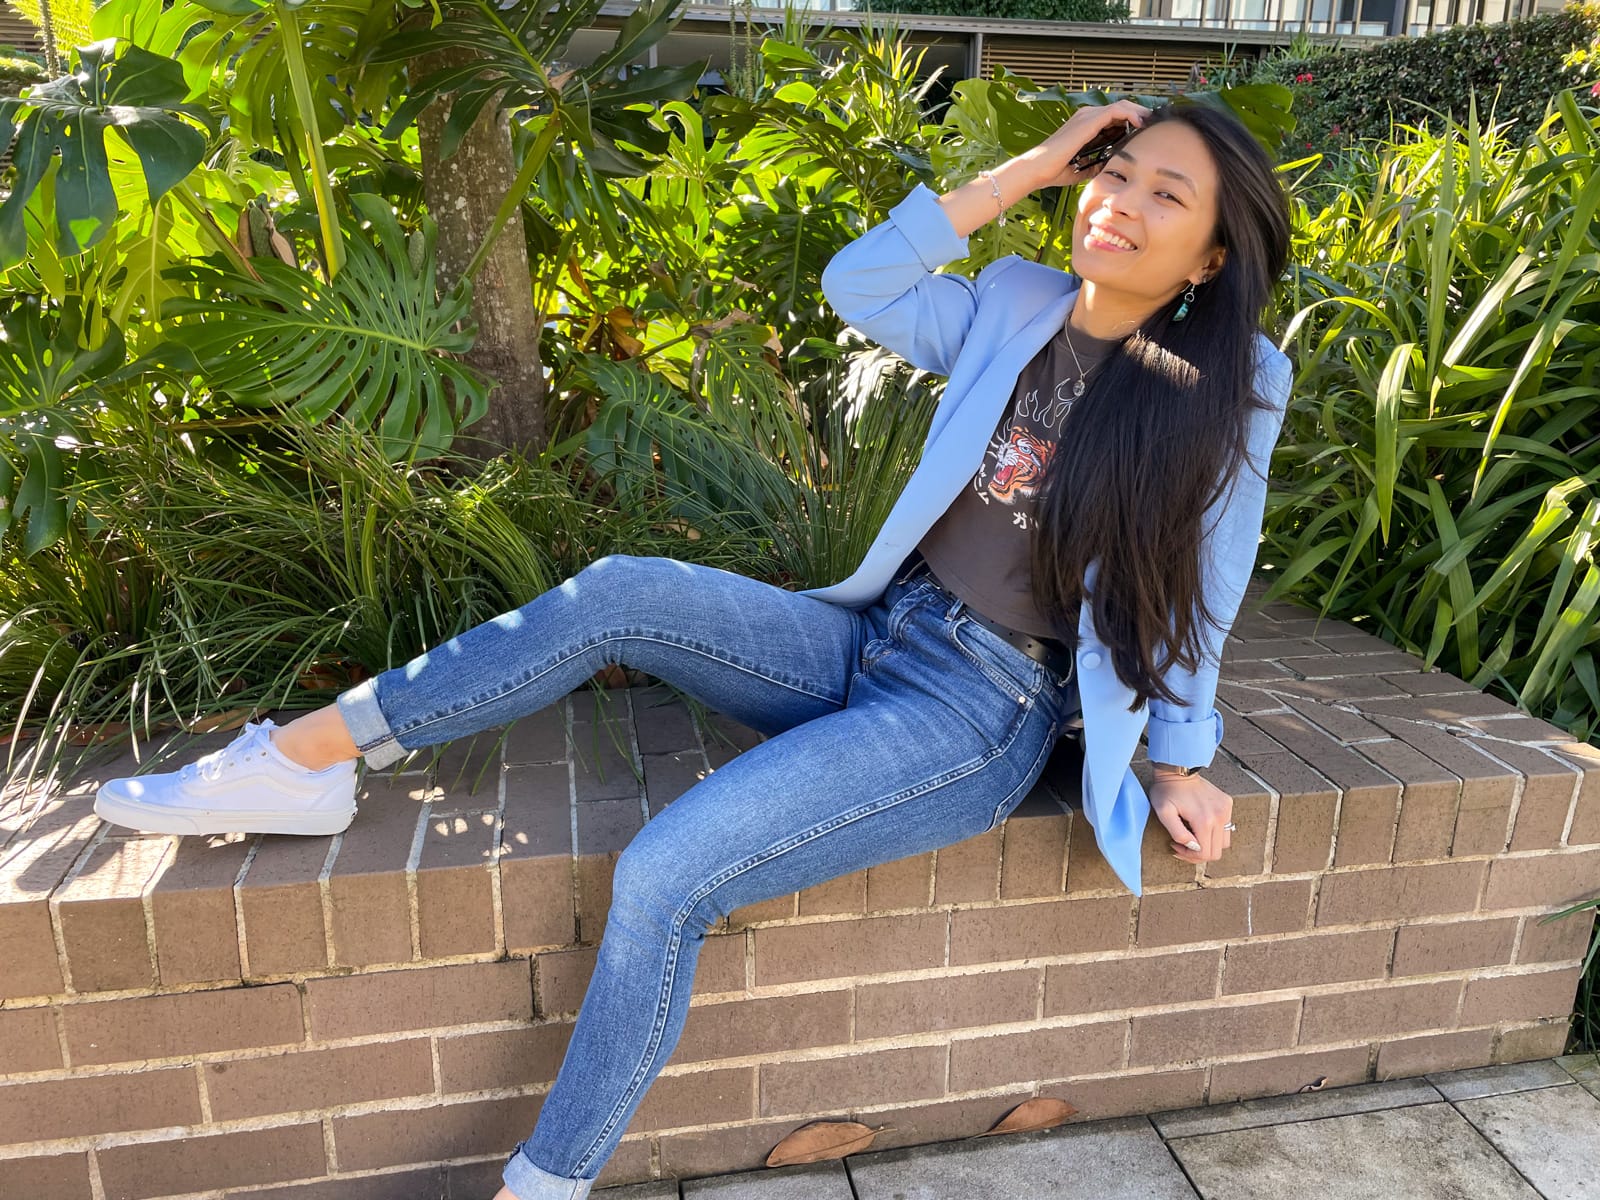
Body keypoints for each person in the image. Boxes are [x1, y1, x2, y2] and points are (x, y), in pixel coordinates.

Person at [94, 97, 1294, 1200]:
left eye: (1163, 196)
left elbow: (1209, 582)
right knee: (620, 590)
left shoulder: (1227, 387)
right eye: (1113, 174)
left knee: (664, 877)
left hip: (979, 711)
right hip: (877, 631)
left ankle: (543, 1183)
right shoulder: (1015, 301)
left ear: (1213, 256)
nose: (1118, 204)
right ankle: (304, 760)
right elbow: (861, 280)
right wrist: (1026, 169)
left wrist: (1179, 763)